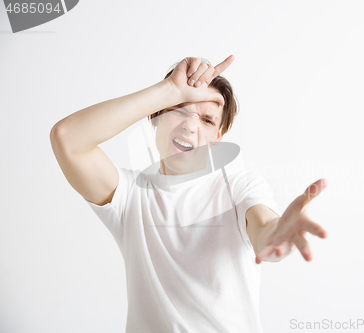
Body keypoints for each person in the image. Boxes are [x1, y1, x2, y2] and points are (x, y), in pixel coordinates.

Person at [50, 55, 328, 333]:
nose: (190, 125)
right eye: (179, 110)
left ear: (218, 136)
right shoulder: (129, 195)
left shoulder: (239, 187)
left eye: (207, 120)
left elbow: (264, 227)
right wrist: (169, 91)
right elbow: (67, 138)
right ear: (154, 115)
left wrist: (276, 233)